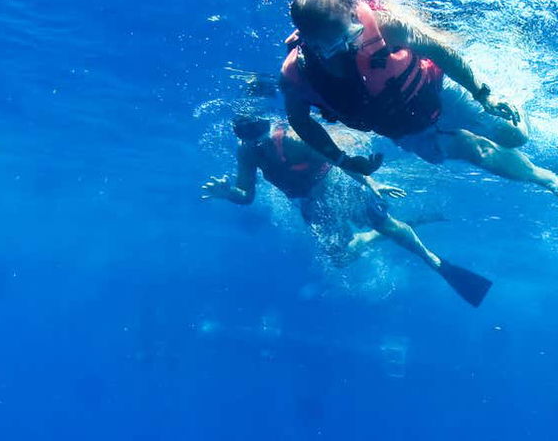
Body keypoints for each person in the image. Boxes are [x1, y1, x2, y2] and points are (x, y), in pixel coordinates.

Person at [277, 0, 558, 228]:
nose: (339, 50)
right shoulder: (295, 73)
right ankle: (555, 185)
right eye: (325, 45)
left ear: (355, 17)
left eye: (347, 36)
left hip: (438, 91)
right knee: (477, 153)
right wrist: (341, 159)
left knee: (515, 138)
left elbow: (441, 52)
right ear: (305, 38)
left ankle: (513, 99)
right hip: (408, 130)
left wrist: (483, 94)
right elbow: (300, 122)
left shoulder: (385, 25)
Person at [202, 114, 493, 307]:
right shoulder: (247, 152)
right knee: (340, 259)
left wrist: (372, 183)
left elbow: (341, 161)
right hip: (311, 205)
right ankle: (397, 227)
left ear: (266, 129)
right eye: (247, 139)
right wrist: (229, 194)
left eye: (256, 139)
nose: (254, 145)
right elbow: (246, 195)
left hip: (338, 184)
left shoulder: (293, 140)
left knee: (385, 225)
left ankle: (433, 260)